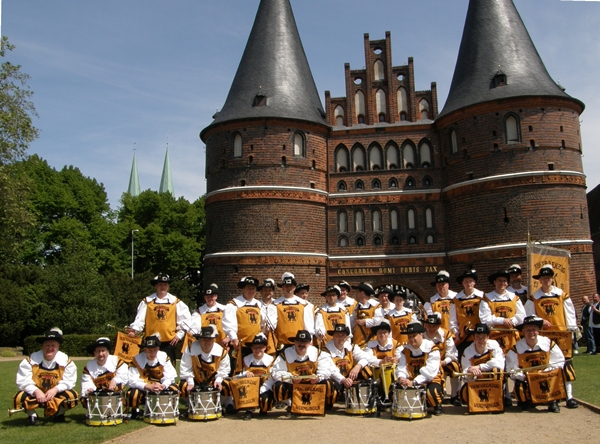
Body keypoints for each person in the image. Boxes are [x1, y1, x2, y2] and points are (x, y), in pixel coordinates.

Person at [525, 264, 579, 408]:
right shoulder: (533, 298)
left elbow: (570, 314)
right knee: (547, 365)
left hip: (562, 335)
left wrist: (571, 332)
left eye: (548, 278)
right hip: (544, 337)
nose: (546, 280)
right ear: (540, 280)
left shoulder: (562, 295)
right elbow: (528, 317)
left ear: (552, 279)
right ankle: (551, 396)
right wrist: (541, 321)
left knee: (566, 364)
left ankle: (569, 396)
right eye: (543, 278)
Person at [14, 328, 79, 425]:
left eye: (53, 345)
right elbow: (23, 381)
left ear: (58, 346)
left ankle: (59, 413)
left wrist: (55, 390)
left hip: (55, 394)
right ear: (42, 346)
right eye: (47, 345)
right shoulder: (30, 360)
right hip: (35, 394)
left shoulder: (66, 361)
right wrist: (36, 391)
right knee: (19, 397)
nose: (50, 348)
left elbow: (69, 382)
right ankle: (32, 415)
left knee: (72, 396)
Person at [128, 273, 192, 365]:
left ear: (168, 286)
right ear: (156, 286)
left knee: (168, 368)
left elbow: (186, 321)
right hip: (150, 342)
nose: (163, 287)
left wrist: (179, 335)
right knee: (150, 367)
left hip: (168, 342)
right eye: (160, 284)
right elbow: (139, 320)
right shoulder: (147, 301)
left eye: (165, 284)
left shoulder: (175, 302)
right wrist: (134, 330)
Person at [506, 316, 565, 413]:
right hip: (527, 380)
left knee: (557, 375)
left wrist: (545, 373)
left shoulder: (549, 344)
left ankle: (552, 401)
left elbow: (559, 361)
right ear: (523, 331)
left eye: (533, 329)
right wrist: (524, 376)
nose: (531, 333)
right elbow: (511, 369)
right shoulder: (516, 349)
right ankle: (528, 400)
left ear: (538, 330)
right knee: (520, 387)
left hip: (547, 377)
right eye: (528, 330)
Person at [271, 330, 333, 414]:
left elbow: (326, 369)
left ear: (309, 343)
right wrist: (291, 378)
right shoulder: (285, 354)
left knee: (328, 383)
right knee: (279, 386)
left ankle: (321, 405)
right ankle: (289, 404)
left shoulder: (318, 353)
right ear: (294, 342)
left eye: (304, 342)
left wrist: (318, 378)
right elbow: (276, 372)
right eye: (299, 341)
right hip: (294, 385)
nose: (301, 344)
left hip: (311, 384)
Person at [394, 322, 445, 415]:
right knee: (394, 389)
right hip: (411, 379)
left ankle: (437, 405)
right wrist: (402, 378)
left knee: (431, 392)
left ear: (421, 335)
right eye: (409, 337)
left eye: (414, 336)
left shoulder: (432, 348)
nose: (411, 339)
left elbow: (430, 372)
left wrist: (414, 382)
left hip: (431, 380)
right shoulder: (405, 350)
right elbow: (401, 367)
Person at [222, 333, 275, 420]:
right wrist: (245, 374)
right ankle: (249, 411)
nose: (258, 350)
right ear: (251, 348)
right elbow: (236, 377)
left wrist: (260, 390)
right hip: (249, 388)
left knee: (265, 400)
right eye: (255, 348)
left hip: (265, 387)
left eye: (260, 347)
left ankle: (263, 409)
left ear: (265, 348)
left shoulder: (271, 360)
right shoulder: (245, 360)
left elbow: (273, 378)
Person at [180, 326, 232, 413]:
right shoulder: (190, 349)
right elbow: (185, 368)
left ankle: (217, 405)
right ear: (199, 339)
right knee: (182, 386)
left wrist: (218, 381)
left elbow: (224, 370)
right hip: (196, 381)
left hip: (213, 382)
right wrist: (190, 383)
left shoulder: (221, 352)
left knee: (227, 385)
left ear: (213, 340)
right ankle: (193, 406)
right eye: (204, 339)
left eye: (209, 339)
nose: (206, 342)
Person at [320, 324, 372, 409]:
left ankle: (365, 398)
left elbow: (366, 358)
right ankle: (330, 402)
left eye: (343, 335)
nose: (340, 338)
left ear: (346, 337)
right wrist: (343, 380)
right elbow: (331, 370)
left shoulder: (352, 347)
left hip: (349, 376)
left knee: (366, 370)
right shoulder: (325, 350)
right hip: (335, 380)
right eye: (337, 335)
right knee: (327, 383)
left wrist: (357, 367)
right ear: (333, 336)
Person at [127, 333, 178, 419]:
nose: (152, 353)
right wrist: (147, 386)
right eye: (149, 350)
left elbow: (170, 376)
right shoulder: (137, 360)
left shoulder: (164, 357)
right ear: (144, 349)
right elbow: (132, 381)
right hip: (144, 390)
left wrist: (163, 385)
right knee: (133, 393)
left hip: (160, 387)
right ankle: (135, 411)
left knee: (175, 388)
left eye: (154, 350)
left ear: (158, 349)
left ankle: (170, 408)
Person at [479, 269, 525, 355]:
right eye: (499, 280)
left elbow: (522, 316)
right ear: (494, 282)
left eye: (504, 281)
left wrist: (511, 321)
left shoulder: (514, 297)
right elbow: (485, 319)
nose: (502, 283)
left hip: (512, 336)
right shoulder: (486, 298)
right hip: (494, 337)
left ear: (507, 283)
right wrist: (502, 321)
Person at [222, 276, 263, 372]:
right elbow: (229, 324)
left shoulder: (258, 304)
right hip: (239, 346)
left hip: (255, 347)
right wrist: (234, 339)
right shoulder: (233, 304)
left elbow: (262, 324)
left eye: (253, 288)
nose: (251, 291)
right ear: (243, 289)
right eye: (248, 288)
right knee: (237, 372)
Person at [423, 314, 460, 406]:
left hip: (442, 362)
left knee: (455, 366)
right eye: (429, 326)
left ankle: (454, 396)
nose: (431, 329)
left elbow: (452, 354)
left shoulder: (446, 334)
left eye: (434, 326)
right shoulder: (421, 336)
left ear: (439, 326)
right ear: (425, 325)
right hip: (425, 364)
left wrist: (443, 362)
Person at [272, 272, 315, 349]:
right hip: (281, 344)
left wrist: (309, 340)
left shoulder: (303, 304)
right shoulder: (275, 304)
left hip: (300, 342)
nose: (289, 289)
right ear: (282, 288)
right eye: (286, 286)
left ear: (294, 287)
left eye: (291, 286)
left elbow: (308, 324)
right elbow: (272, 326)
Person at [81, 337, 128, 407]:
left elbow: (124, 376)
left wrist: (115, 380)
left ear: (108, 352)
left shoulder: (117, 361)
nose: (100, 354)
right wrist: (90, 389)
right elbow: (86, 383)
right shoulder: (88, 367)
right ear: (94, 353)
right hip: (97, 395)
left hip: (114, 394)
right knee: (85, 398)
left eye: (103, 351)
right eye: (98, 351)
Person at [450, 269, 483, 358]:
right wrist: (457, 334)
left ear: (474, 282)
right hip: (463, 337)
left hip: (479, 336)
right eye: (466, 281)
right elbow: (452, 320)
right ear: (462, 283)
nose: (468, 283)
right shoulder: (456, 299)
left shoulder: (482, 297)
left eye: (470, 281)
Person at [365, 320, 398, 408]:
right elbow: (368, 358)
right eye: (380, 332)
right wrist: (380, 362)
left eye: (385, 332)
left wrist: (396, 359)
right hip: (377, 372)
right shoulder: (371, 344)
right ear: (376, 333)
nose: (382, 335)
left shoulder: (395, 343)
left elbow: (400, 355)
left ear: (388, 333)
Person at [191, 284, 228, 348]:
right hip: (205, 345)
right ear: (204, 298)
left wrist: (228, 338)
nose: (209, 298)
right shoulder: (199, 312)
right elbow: (194, 328)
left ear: (216, 296)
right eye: (207, 297)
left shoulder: (224, 309)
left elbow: (231, 325)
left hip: (222, 343)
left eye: (211, 296)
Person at [350, 282, 381, 347]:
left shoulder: (376, 306)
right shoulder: (357, 307)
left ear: (362, 293)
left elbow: (379, 321)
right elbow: (352, 323)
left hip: (372, 343)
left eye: (357, 292)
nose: (356, 295)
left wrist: (365, 322)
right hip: (357, 343)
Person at [258, 278, 278, 356]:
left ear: (272, 292)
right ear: (261, 291)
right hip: (261, 335)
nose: (267, 292)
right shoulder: (256, 305)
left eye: (270, 290)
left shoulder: (277, 304)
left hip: (274, 337)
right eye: (265, 290)